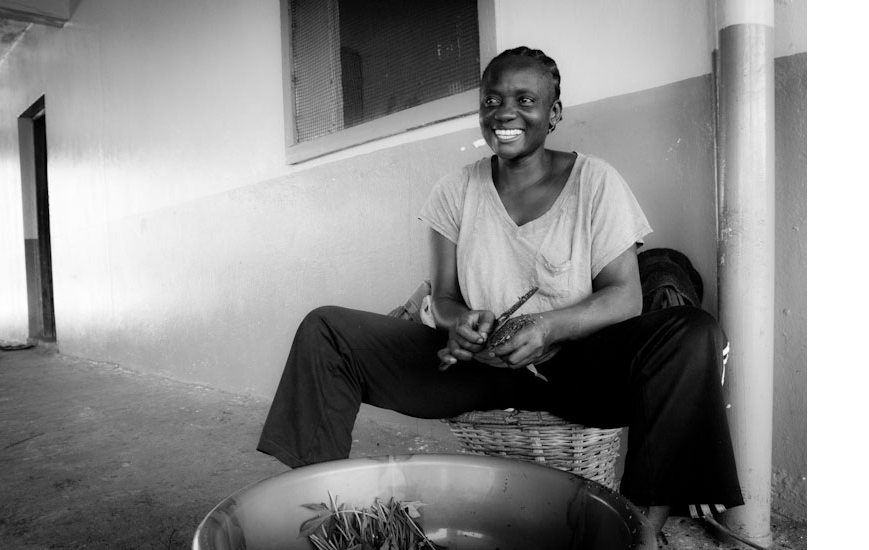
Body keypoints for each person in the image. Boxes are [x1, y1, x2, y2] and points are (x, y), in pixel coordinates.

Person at [257, 46, 743, 539]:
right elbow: (443, 297)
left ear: (553, 113)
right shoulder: (455, 191)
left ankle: (641, 531)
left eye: (525, 100)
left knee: (691, 333)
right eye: (492, 101)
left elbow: (625, 296)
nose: (505, 113)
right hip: (476, 368)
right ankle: (313, 515)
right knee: (326, 329)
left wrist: (548, 327)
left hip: (576, 368)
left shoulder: (595, 182)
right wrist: (458, 322)